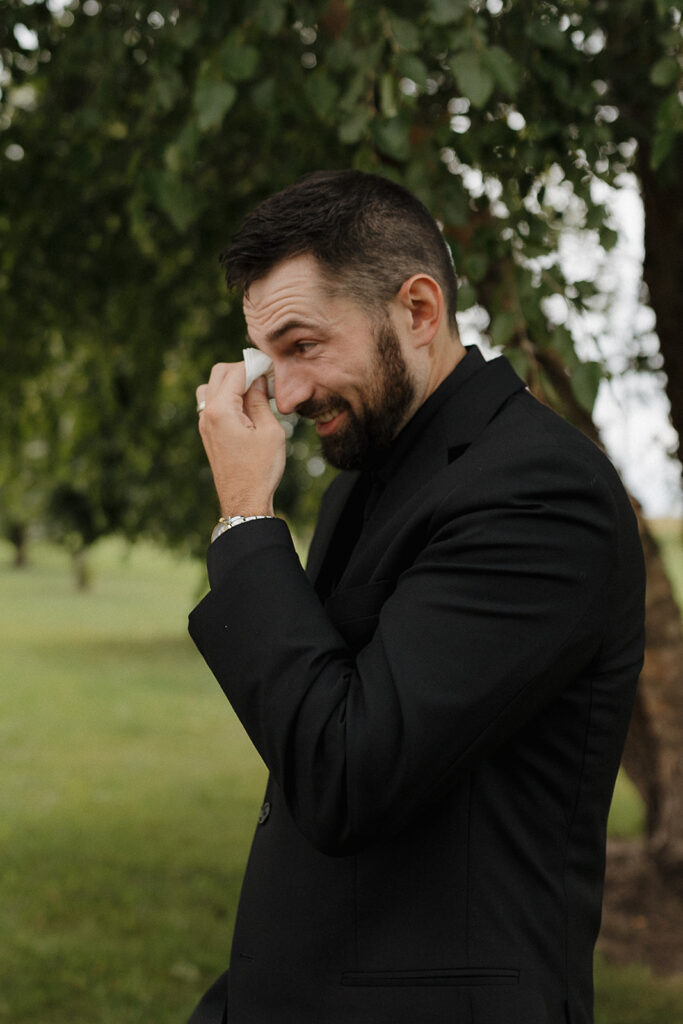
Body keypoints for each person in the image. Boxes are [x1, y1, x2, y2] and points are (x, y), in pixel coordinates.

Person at [187, 170, 645, 1024]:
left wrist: (247, 520)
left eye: (303, 345)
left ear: (419, 311)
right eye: (267, 358)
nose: (283, 396)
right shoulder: (364, 478)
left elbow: (347, 774)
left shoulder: (540, 494)